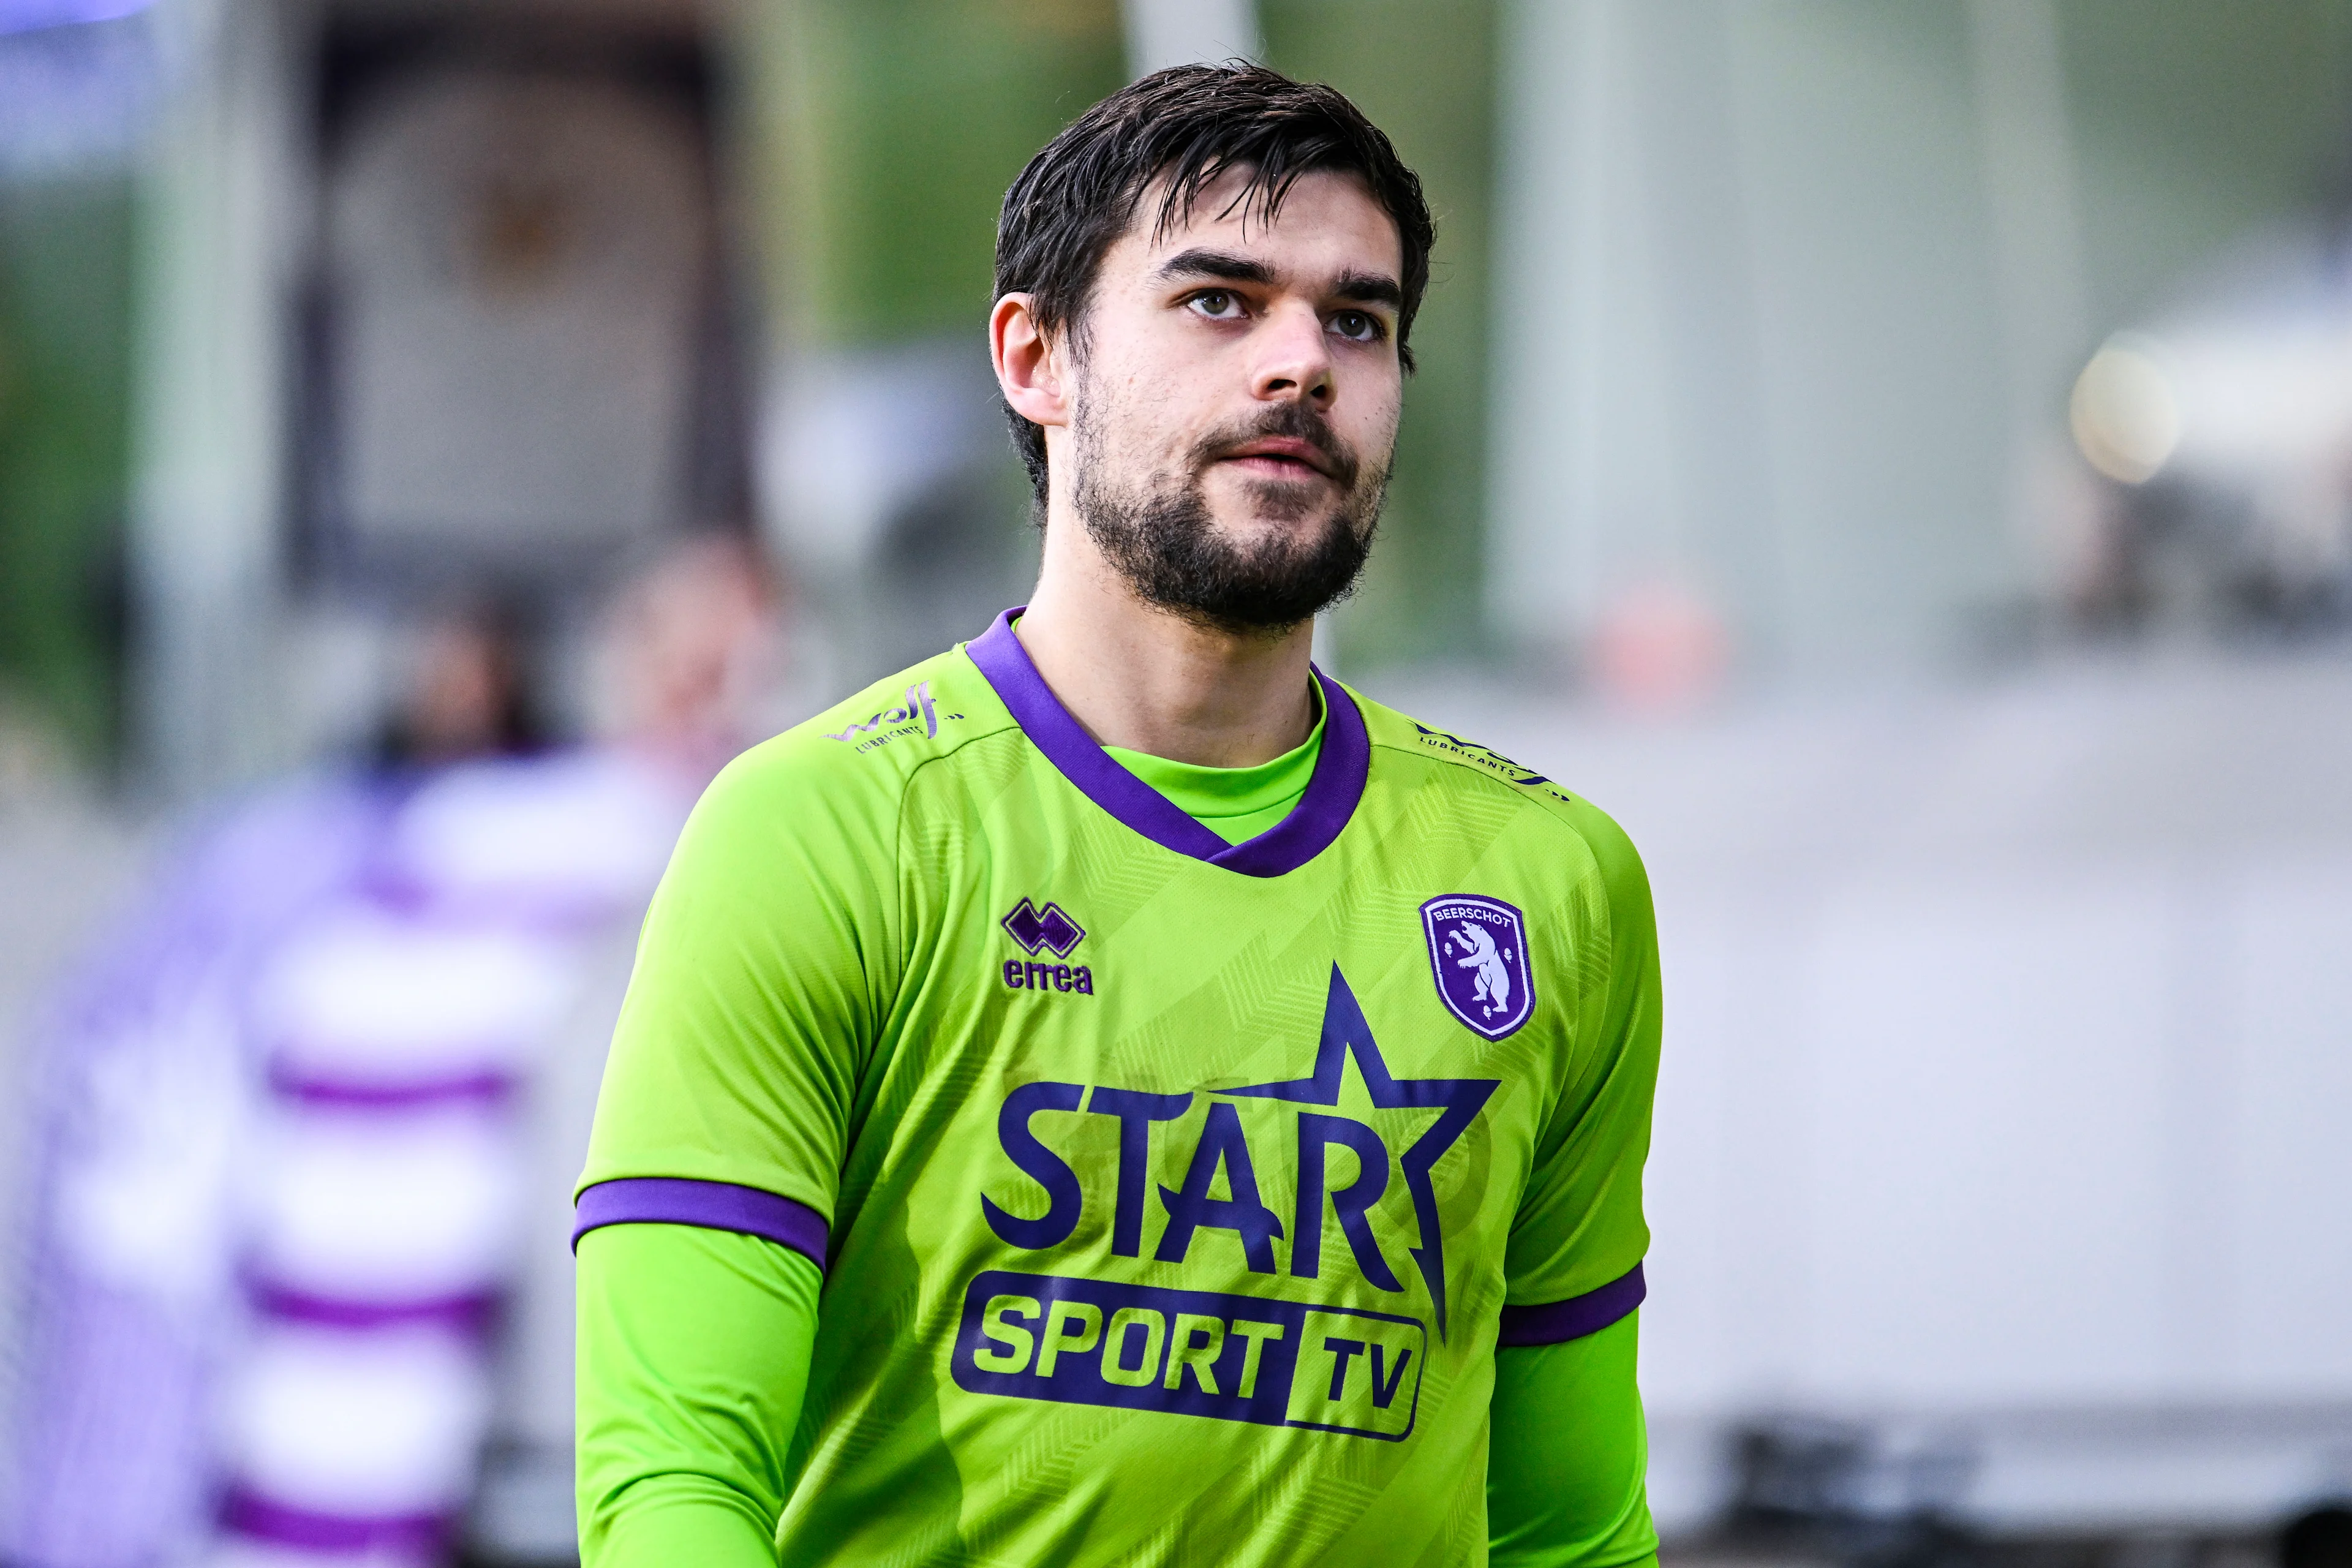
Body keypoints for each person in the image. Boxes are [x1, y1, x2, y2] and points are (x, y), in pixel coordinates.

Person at [575, 64, 1661, 1568]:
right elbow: (673, 1490)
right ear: (1038, 356)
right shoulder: (819, 831)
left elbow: (1574, 1529)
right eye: (1220, 300)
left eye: (1359, 318)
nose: (1303, 364)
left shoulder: (1555, 884)